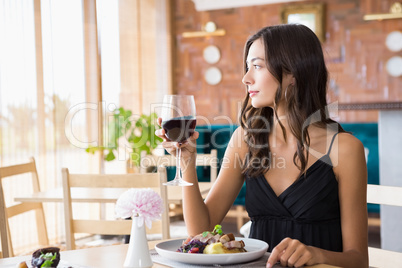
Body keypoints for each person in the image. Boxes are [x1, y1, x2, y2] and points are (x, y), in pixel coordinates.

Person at [156, 24, 368, 268]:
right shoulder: (245, 141)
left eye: (256, 66)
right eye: (247, 67)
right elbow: (199, 231)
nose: (246, 78)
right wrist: (187, 162)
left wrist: (317, 254)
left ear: (293, 73)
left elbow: (359, 260)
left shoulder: (345, 149)